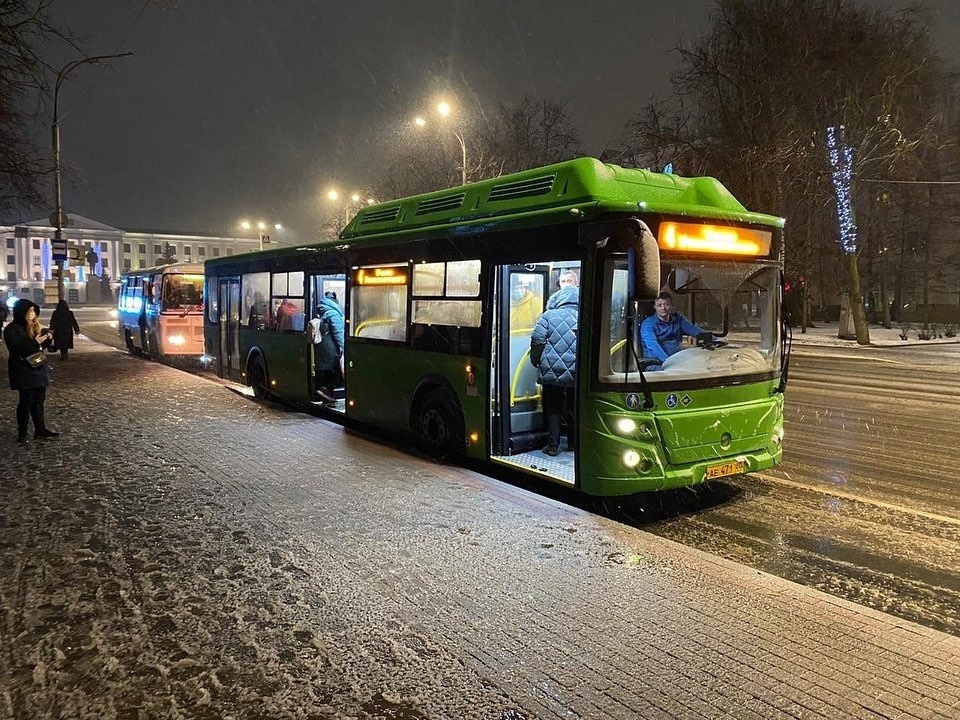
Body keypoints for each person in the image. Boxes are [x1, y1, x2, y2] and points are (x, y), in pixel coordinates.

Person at [530, 283, 579, 456]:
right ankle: (573, 443)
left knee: (552, 407)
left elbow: (537, 339)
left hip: (551, 368)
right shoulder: (583, 316)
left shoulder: (549, 315)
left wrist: (536, 360)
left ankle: (553, 445)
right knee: (573, 407)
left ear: (559, 299)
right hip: (576, 371)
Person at [3, 299, 59, 443]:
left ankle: (40, 429)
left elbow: (37, 348)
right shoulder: (13, 329)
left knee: (39, 400)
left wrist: (47, 339)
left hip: (37, 367)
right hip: (23, 369)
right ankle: (22, 432)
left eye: (33, 311)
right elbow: (17, 349)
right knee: (26, 401)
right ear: (21, 312)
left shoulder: (33, 327)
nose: (32, 314)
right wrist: (35, 342)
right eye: (29, 311)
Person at [640, 291, 709, 364]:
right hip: (656, 363)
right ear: (654, 306)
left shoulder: (678, 318)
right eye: (659, 305)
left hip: (677, 359)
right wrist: (668, 362)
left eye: (666, 304)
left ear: (671, 305)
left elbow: (693, 330)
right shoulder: (648, 324)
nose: (663, 308)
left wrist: (714, 339)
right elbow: (653, 345)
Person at [308, 291, 345, 403]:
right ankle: (326, 391)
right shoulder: (334, 314)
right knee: (332, 371)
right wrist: (344, 348)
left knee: (324, 371)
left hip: (321, 347)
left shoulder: (322, 311)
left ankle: (323, 390)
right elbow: (338, 334)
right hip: (330, 349)